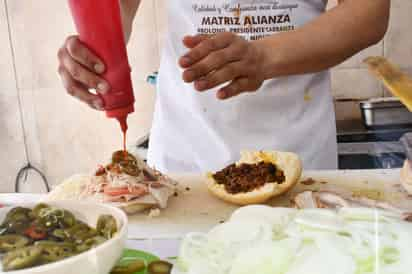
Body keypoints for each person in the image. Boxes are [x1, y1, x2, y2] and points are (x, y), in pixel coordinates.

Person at [57, 0, 390, 173]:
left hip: (296, 156)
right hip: (185, 160)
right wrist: (97, 49)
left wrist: (264, 57)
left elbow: (368, 12)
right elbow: (118, 7)